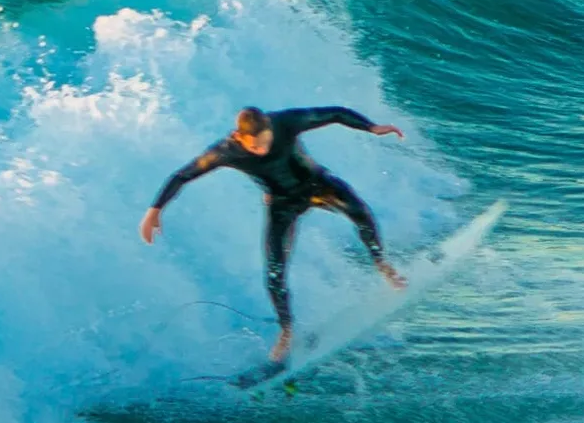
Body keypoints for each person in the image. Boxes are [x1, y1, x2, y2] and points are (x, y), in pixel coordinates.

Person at [141, 104, 405, 364]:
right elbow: (182, 175)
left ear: (269, 127)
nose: (262, 150)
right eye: (255, 147)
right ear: (239, 137)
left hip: (318, 185)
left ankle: (382, 264)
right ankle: (287, 329)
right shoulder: (225, 152)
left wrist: (371, 127)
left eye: (266, 142)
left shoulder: (285, 122)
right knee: (274, 271)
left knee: (362, 214)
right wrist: (155, 210)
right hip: (282, 204)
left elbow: (335, 113)